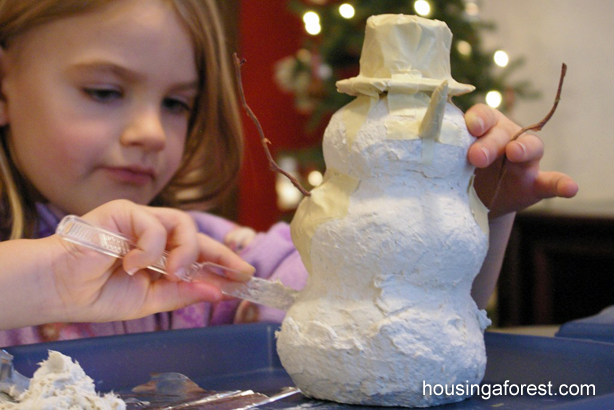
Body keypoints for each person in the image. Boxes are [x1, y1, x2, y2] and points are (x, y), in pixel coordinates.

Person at [0, 0, 577, 345]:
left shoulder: (203, 254)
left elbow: (377, 314)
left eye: (177, 104)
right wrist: (49, 280)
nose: (151, 131)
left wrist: (465, 209)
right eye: (104, 91)